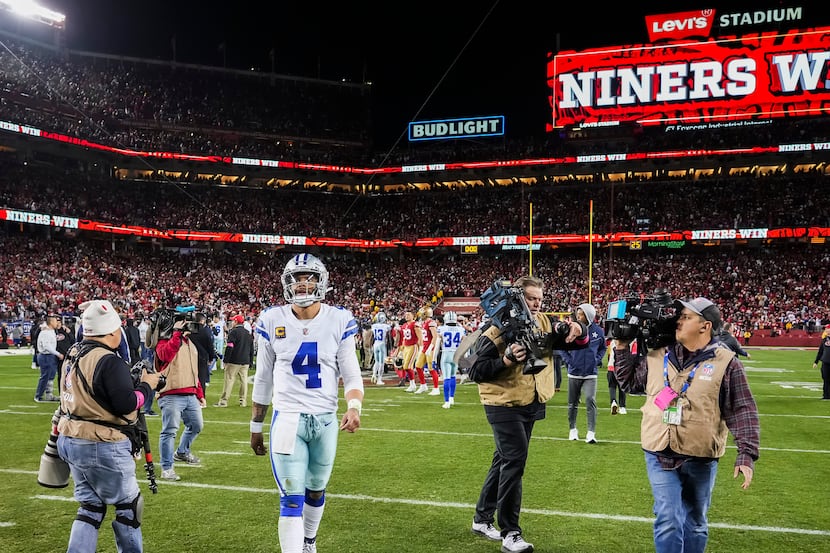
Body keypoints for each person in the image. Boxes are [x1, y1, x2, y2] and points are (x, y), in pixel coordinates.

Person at [612, 297, 760, 553]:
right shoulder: (658, 354)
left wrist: (746, 454)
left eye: (686, 317)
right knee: (668, 518)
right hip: (659, 451)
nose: (678, 321)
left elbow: (742, 408)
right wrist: (622, 346)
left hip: (700, 456)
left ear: (706, 326)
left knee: (695, 522)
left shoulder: (727, 362)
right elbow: (629, 384)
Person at [250, 253, 364, 553]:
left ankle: (309, 542)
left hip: (325, 419)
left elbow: (351, 373)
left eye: (309, 278)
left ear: (321, 282)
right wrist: (255, 425)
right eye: (297, 279)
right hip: (288, 418)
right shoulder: (271, 318)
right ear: (287, 284)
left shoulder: (339, 318)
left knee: (316, 490)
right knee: (290, 497)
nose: (303, 285)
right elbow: (262, 378)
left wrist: (354, 407)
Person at [470, 275, 589, 553]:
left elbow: (574, 340)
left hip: (531, 401)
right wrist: (506, 360)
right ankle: (510, 533)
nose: (536, 304)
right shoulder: (495, 328)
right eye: (531, 298)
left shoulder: (544, 322)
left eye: (539, 299)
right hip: (502, 403)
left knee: (503, 459)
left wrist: (578, 328)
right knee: (514, 462)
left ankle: (482, 517)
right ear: (517, 298)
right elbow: (475, 370)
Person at [56, 299, 161, 553]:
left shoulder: (73, 352)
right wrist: (147, 385)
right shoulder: (108, 360)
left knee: (90, 508)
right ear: (113, 332)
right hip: (101, 443)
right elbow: (127, 404)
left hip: (71, 437)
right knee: (128, 507)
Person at [154, 308, 206, 481]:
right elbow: (165, 355)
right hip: (171, 393)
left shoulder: (188, 342)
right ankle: (166, 468)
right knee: (169, 431)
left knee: (197, 425)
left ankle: (182, 452)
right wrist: (176, 333)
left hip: (190, 393)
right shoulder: (164, 341)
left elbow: (193, 370)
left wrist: (199, 392)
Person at [559, 303, 607, 443]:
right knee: (572, 403)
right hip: (574, 372)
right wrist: (569, 361)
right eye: (578, 314)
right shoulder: (571, 329)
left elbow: (603, 348)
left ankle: (591, 433)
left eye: (581, 314)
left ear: (589, 315)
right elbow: (562, 348)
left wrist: (596, 360)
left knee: (590, 400)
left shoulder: (598, 331)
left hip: (591, 373)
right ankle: (572, 430)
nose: (578, 316)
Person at [214, 314, 254, 407]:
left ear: (236, 322)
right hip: (245, 361)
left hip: (234, 360)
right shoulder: (248, 333)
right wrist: (251, 361)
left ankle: (224, 401)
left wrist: (226, 360)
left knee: (229, 380)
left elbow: (230, 347)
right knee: (244, 381)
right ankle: (243, 401)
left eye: (233, 321)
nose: (232, 322)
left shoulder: (234, 332)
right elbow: (251, 349)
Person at [436, 311, 465, 408]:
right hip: (456, 354)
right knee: (453, 376)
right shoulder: (460, 329)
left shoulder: (441, 328)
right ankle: (452, 398)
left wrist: (433, 358)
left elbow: (437, 344)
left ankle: (447, 401)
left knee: (446, 378)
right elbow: (464, 344)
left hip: (446, 353)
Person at [35, 314, 64, 402]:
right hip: (46, 355)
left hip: (49, 356)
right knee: (45, 376)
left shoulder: (50, 331)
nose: (57, 323)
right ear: (51, 322)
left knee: (50, 376)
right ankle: (38, 396)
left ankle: (49, 395)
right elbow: (46, 346)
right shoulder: (46, 332)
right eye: (55, 321)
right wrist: (58, 354)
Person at [606, 338, 631, 415]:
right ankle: (622, 407)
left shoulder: (613, 342)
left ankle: (613, 401)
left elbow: (609, 354)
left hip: (611, 366)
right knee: (622, 387)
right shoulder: (628, 342)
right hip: (622, 367)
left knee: (612, 386)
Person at [370, 312, 392, 385]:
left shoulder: (374, 326)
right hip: (382, 344)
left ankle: (373, 375)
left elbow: (372, 336)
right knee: (381, 363)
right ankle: (379, 379)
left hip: (375, 344)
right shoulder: (386, 326)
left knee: (376, 361)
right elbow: (389, 333)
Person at [813, 323, 830, 400]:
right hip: (825, 362)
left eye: (827, 328)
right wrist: (816, 362)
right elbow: (820, 351)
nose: (826, 330)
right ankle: (826, 395)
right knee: (825, 378)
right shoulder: (824, 339)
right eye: (826, 329)